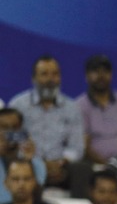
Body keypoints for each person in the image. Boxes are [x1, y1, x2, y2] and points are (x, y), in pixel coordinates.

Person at [8, 56, 86, 194]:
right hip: (28, 164)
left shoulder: (71, 107)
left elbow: (76, 147)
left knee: (82, 170)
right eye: (44, 74)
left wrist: (61, 162)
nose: (50, 79)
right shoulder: (18, 106)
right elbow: (12, 142)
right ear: (33, 79)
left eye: (55, 74)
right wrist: (39, 164)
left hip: (61, 168)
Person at [76, 54, 117, 165]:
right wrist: (107, 166)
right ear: (86, 76)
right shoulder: (79, 106)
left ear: (111, 75)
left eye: (105, 71)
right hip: (96, 164)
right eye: (96, 71)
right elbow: (84, 145)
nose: (101, 76)